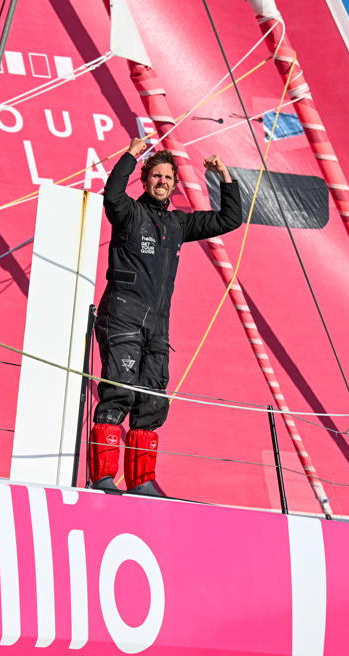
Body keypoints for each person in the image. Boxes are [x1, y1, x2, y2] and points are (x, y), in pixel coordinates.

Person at [89, 138, 242, 496]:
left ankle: (142, 483)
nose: (162, 182)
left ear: (175, 183)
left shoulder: (178, 224)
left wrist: (223, 175)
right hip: (123, 318)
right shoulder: (129, 213)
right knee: (118, 394)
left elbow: (229, 219)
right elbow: (111, 196)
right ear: (144, 180)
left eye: (168, 177)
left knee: (152, 402)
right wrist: (130, 154)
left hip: (157, 328)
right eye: (156, 176)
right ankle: (103, 478)